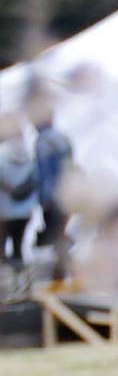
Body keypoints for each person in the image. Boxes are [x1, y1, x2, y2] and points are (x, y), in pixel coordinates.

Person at [27, 91, 72, 279]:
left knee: (56, 234)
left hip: (53, 196)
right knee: (60, 231)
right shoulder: (62, 138)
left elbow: (43, 172)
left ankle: (62, 272)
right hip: (68, 192)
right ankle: (64, 271)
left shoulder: (43, 141)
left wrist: (43, 198)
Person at [0, 115, 36, 269]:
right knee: (18, 250)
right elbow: (36, 179)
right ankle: (21, 282)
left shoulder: (1, 153)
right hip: (25, 210)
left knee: (1, 253)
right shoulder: (28, 153)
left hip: (3, 211)